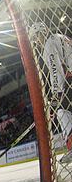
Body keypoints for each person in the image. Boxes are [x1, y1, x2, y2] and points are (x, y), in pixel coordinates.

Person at [29, 22, 72, 163]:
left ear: (42, 32)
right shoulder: (60, 36)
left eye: (36, 37)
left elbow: (56, 71)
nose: (36, 41)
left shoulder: (49, 45)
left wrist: (55, 97)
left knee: (61, 111)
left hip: (70, 80)